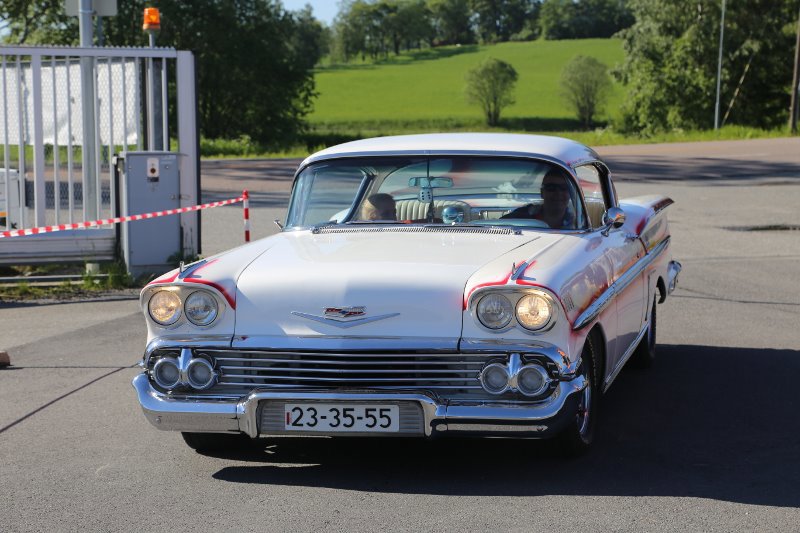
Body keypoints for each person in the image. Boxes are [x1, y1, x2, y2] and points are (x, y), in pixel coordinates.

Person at [501, 167, 576, 229]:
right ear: (542, 192)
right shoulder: (521, 216)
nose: (558, 193)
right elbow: (498, 226)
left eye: (564, 188)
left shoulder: (578, 222)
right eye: (551, 188)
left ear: (570, 193)